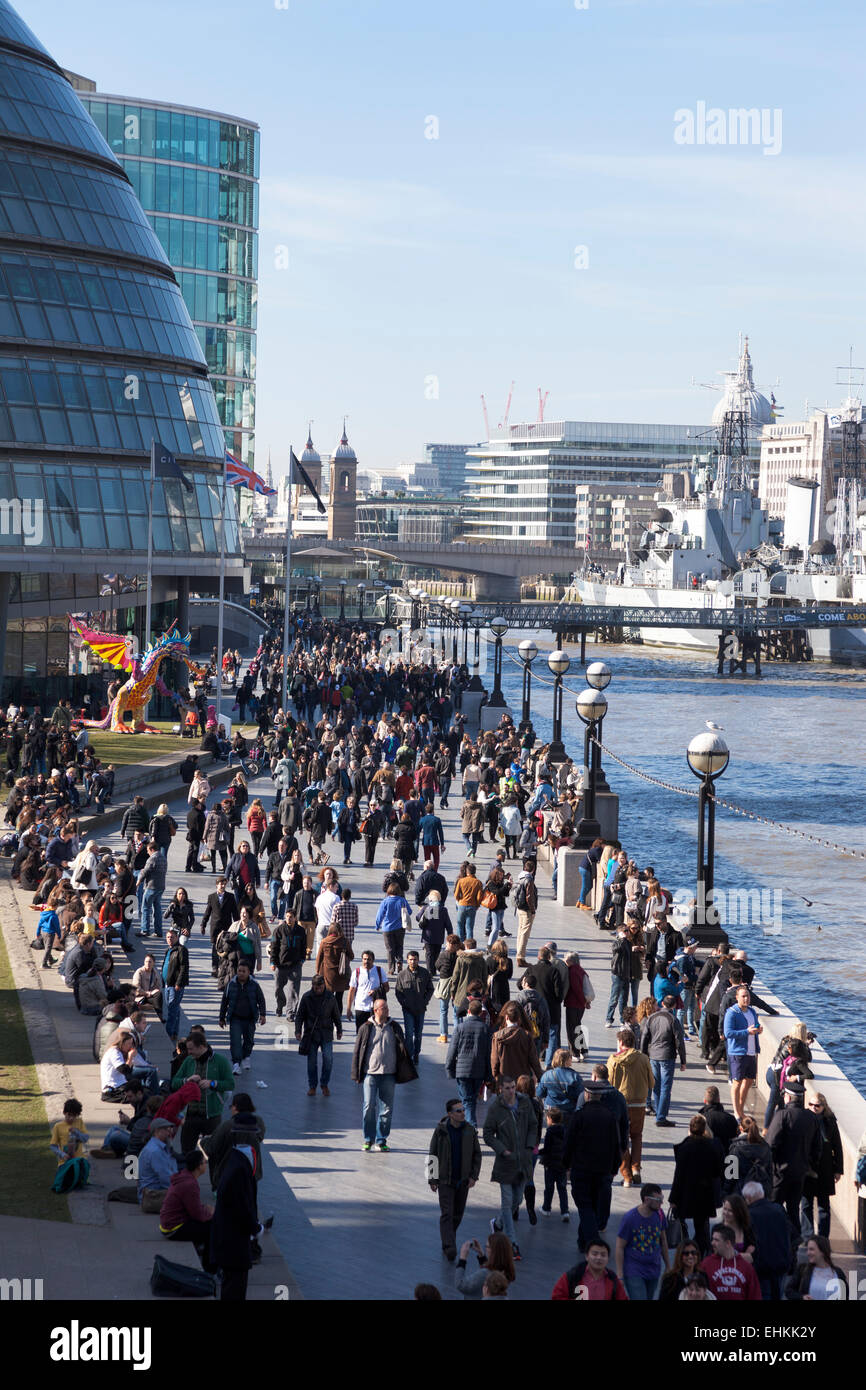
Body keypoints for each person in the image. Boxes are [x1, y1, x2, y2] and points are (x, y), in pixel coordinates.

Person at [209, 1114, 266, 1301]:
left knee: (232, 1287)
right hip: (234, 1243)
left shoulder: (235, 1162)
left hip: (229, 1240)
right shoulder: (239, 1169)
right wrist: (256, 1228)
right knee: (235, 1288)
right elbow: (242, 1206)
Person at [563, 1080, 622, 1252]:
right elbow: (616, 1145)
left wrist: (566, 1165)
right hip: (603, 1172)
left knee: (585, 1207)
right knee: (594, 1206)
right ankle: (583, 1242)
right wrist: (614, 1169)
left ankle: (593, 1244)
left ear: (587, 1095)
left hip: (581, 1170)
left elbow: (569, 1143)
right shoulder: (610, 1116)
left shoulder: (579, 1116)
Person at [351, 997, 416, 1152]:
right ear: (375, 1010)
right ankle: (368, 1139)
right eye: (383, 1008)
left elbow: (403, 1047)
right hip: (370, 1074)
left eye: (387, 1008)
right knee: (368, 1107)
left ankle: (381, 1140)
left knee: (386, 1109)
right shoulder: (366, 1027)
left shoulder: (394, 1027)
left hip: (389, 1074)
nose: (387, 1011)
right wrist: (356, 1074)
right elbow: (357, 1051)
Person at [483, 1075, 536, 1259]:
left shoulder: (525, 1103)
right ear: (500, 1089)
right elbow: (488, 1133)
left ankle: (498, 1223)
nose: (511, 1091)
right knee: (507, 1202)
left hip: (523, 1162)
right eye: (507, 1088)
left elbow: (533, 1125)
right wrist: (501, 1149)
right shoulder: (496, 1108)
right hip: (505, 1163)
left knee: (517, 1200)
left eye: (513, 1087)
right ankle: (512, 1243)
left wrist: (530, 1147)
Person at [766, 1080, 822, 1240]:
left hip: (780, 1172)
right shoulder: (812, 1118)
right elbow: (817, 1148)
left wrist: (772, 1166)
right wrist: (809, 1164)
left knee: (774, 1207)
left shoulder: (782, 1115)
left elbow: (770, 1144)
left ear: (788, 1098)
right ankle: (795, 1243)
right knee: (793, 1210)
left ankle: (774, 1241)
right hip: (800, 1173)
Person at [428, 1098, 482, 1259]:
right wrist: (432, 1179)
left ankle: (449, 1238)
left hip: (463, 1180)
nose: (462, 1113)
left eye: (463, 1110)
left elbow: (477, 1154)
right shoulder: (441, 1130)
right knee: (447, 1213)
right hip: (445, 1180)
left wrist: (474, 1176)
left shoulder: (469, 1131)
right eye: (458, 1111)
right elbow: (433, 1154)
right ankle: (449, 1246)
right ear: (450, 1114)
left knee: (458, 1214)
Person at [170, 1027, 235, 1154]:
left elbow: (230, 1084)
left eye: (191, 1049)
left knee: (214, 1152)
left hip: (212, 1115)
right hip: (190, 1114)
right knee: (186, 1151)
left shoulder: (220, 1061)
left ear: (201, 1047)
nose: (188, 1052)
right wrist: (187, 1080)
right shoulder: (189, 1061)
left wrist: (212, 1083)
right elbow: (174, 1082)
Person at [669, 1113, 725, 1254]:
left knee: (682, 1222)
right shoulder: (712, 1147)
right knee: (701, 1225)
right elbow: (718, 1172)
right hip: (705, 1192)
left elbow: (678, 1175)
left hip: (686, 1192)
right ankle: (702, 1251)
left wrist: (673, 1198)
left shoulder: (684, 1147)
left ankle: (687, 1250)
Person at [607, 1027, 654, 1187]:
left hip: (620, 1104)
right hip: (639, 1104)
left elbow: (609, 1083)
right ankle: (636, 1168)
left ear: (620, 1042)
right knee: (637, 1136)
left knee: (621, 1139)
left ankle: (626, 1175)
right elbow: (652, 1082)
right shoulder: (643, 1058)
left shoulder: (613, 1059)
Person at [158, 1151, 214, 1269]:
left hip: (170, 1222)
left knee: (210, 1221)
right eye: (204, 1162)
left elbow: (192, 1206)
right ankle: (210, 1268)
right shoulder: (190, 1184)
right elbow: (197, 1214)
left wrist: (204, 1209)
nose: (206, 1164)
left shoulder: (185, 1176)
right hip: (174, 1228)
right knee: (213, 1228)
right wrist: (210, 1213)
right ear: (199, 1166)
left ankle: (201, 1247)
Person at [800, 1092, 844, 1241]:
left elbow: (837, 1146)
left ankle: (823, 1238)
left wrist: (838, 1169)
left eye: (817, 1105)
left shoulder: (830, 1122)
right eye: (811, 1105)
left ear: (823, 1107)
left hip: (825, 1168)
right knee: (806, 1203)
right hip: (807, 1167)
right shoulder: (804, 1118)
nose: (813, 1108)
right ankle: (808, 1237)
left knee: (823, 1204)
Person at [615, 1183, 670, 1300]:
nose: (662, 1202)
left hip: (654, 1269)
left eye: (662, 1199)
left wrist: (668, 1266)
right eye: (658, 1199)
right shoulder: (630, 1218)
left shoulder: (660, 1214)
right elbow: (620, 1246)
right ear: (647, 1200)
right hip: (634, 1269)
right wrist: (620, 1274)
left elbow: (663, 1240)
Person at [640, 994, 686, 1126]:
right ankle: (661, 1116)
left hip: (653, 1055)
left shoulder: (652, 1017)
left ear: (662, 1004)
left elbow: (645, 1037)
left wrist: (643, 1055)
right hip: (667, 1056)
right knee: (666, 1087)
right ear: (674, 1006)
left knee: (656, 1085)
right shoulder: (673, 1019)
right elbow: (679, 1041)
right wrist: (683, 1061)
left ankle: (659, 1112)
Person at [445, 999, 493, 1126]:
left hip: (462, 1070)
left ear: (468, 1011)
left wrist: (449, 1069)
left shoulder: (460, 1028)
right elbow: (489, 1053)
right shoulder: (485, 1029)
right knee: (471, 1099)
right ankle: (467, 1124)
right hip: (479, 1070)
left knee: (467, 1099)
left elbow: (452, 1050)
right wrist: (489, 1074)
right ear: (479, 1013)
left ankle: (471, 1126)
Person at [296, 974, 343, 1096]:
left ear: (324, 985)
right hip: (311, 1033)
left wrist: (339, 1029)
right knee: (311, 1062)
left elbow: (336, 1014)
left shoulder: (330, 998)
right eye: (316, 987)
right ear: (312, 986)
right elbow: (300, 1015)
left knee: (328, 1059)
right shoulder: (306, 997)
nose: (318, 989)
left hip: (326, 1033)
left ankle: (324, 1084)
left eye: (320, 987)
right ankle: (312, 1085)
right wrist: (298, 1031)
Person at [219, 960, 266, 1076]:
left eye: (243, 971)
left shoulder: (255, 985)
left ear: (249, 972)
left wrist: (262, 1015)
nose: (241, 973)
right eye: (239, 971)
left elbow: (261, 1000)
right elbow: (224, 1001)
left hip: (250, 1019)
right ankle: (236, 1063)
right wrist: (222, 1017)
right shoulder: (231, 984)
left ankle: (246, 1056)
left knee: (249, 1041)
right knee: (235, 1042)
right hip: (235, 1018)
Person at [723, 984, 762, 1122]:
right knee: (737, 1082)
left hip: (751, 1051)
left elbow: (754, 1028)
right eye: (743, 996)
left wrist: (758, 1030)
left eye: (748, 996)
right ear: (737, 998)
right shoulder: (732, 1012)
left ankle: (741, 1107)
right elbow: (728, 1033)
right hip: (737, 1052)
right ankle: (737, 1112)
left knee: (749, 1080)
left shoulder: (751, 1011)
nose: (746, 999)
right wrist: (747, 1032)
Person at [551, 1237, 628, 1300]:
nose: (599, 1258)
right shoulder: (573, 1275)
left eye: (603, 1255)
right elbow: (557, 1296)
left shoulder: (612, 1278)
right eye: (595, 1254)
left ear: (608, 1258)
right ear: (587, 1256)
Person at [699, 1224, 762, 1301]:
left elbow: (755, 1295)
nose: (712, 1243)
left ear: (728, 1243)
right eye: (712, 1239)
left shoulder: (747, 1267)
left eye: (716, 1240)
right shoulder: (706, 1264)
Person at [395, 950, 434, 1065]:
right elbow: (398, 992)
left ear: (418, 960)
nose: (413, 961)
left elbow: (430, 989)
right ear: (407, 960)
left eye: (415, 959)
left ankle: (416, 1053)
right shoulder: (402, 975)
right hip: (407, 1010)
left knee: (418, 1035)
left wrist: (424, 1002)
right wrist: (404, 1003)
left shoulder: (424, 973)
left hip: (420, 1009)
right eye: (410, 959)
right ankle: (409, 1055)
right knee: (408, 1034)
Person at [491, 1001, 542, 1084]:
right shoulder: (526, 1035)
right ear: (519, 1019)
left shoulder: (497, 1036)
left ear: (506, 1017)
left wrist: (494, 1076)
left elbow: (494, 1059)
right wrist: (539, 1076)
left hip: (504, 1079)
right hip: (522, 1080)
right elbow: (534, 1059)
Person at [785, 1234, 849, 1301]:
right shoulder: (802, 1270)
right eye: (808, 1249)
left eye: (811, 1249)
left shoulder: (838, 1273)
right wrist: (802, 1297)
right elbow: (789, 1291)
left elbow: (845, 1296)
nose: (808, 1253)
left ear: (822, 1251)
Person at [269, 910, 307, 1021]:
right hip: (281, 965)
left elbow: (304, 946)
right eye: (287, 917)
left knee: (294, 990)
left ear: (295, 918)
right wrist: (272, 962)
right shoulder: (278, 930)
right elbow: (274, 947)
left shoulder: (301, 931)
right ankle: (280, 1005)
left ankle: (290, 1012)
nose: (289, 919)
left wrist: (302, 959)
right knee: (278, 988)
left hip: (295, 965)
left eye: (291, 917)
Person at [455, 1232, 516, 1300]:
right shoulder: (506, 1271)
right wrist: (482, 1256)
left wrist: (462, 1259)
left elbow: (461, 1285)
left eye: (487, 1246)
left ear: (493, 1251)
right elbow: (492, 1269)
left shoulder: (485, 1274)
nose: (485, 1249)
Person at [137, 1117, 178, 1211]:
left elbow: (171, 1169)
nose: (170, 1132)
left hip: (153, 1190)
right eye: (166, 1129)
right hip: (153, 1195)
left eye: (170, 1129)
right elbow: (165, 1178)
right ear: (156, 1131)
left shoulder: (160, 1146)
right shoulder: (155, 1151)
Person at [315, 919, 354, 1014]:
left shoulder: (324, 942)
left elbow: (319, 958)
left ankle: (328, 1016)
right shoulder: (344, 941)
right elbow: (352, 956)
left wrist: (317, 972)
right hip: (341, 974)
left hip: (328, 974)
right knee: (339, 998)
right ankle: (338, 1017)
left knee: (328, 997)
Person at [201, 878, 239, 976]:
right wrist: (203, 924)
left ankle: (223, 967)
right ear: (216, 885)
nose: (222, 886)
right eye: (220, 884)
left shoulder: (230, 897)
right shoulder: (212, 897)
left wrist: (238, 925)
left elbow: (235, 912)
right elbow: (208, 912)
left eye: (224, 884)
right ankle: (215, 968)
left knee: (226, 947)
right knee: (215, 948)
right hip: (215, 927)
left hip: (227, 927)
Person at [538, 1106, 569, 1220]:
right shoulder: (565, 1131)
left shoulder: (550, 1132)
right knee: (562, 1188)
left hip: (550, 1164)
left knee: (549, 1187)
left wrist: (537, 1152)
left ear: (550, 1118)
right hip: (562, 1164)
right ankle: (565, 1211)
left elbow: (547, 1149)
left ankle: (546, 1208)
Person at [346, 949, 389, 1031]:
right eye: (364, 959)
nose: (366, 961)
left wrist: (376, 991)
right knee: (360, 1032)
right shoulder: (356, 972)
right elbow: (351, 991)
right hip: (360, 1007)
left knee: (374, 1032)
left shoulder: (379, 971)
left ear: (373, 960)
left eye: (369, 959)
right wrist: (348, 1009)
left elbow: (387, 988)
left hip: (375, 1008)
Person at [375, 882, 411, 974]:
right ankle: (399, 962)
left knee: (390, 949)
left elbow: (380, 915)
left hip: (387, 928)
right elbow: (409, 911)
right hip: (400, 927)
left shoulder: (385, 901)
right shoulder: (402, 900)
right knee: (399, 946)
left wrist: (377, 925)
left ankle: (391, 968)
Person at [159, 928, 189, 1043]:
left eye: (172, 937)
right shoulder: (168, 950)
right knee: (174, 1009)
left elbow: (184, 968)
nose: (169, 939)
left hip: (175, 985)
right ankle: (174, 1033)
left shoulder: (181, 950)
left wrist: (179, 983)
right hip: (167, 984)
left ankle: (168, 1033)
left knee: (172, 1009)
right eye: (167, 937)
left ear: (177, 937)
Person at [537, 1048, 583, 1115]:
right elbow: (580, 1095)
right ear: (567, 1060)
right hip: (568, 1109)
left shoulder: (547, 1075)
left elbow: (539, 1093)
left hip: (551, 1108)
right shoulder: (575, 1076)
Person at [699, 1084, 739, 1149]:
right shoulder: (731, 1119)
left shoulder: (702, 1120)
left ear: (705, 1101)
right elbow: (735, 1139)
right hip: (726, 1156)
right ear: (719, 1100)